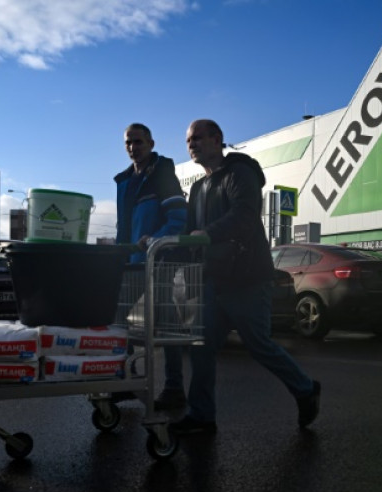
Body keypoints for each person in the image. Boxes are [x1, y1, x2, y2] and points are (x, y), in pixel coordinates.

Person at [170, 118, 320, 435]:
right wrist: (163, 246)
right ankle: (202, 416)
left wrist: (207, 234)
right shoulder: (197, 188)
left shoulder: (240, 174)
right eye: (188, 141)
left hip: (247, 277)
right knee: (201, 346)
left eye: (197, 138)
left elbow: (244, 215)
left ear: (217, 139)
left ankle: (306, 390)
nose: (191, 145)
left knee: (259, 344)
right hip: (213, 280)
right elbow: (188, 233)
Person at [114, 122, 188, 410]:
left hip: (159, 262)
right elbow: (124, 227)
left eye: (139, 142)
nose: (133, 147)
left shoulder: (162, 173)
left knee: (166, 325)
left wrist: (155, 241)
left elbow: (178, 217)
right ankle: (124, 380)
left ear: (151, 144)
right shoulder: (124, 181)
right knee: (118, 320)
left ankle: (174, 387)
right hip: (132, 263)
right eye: (128, 143)